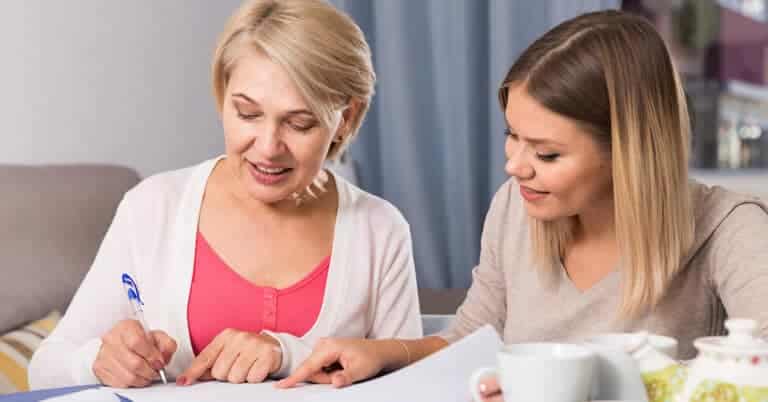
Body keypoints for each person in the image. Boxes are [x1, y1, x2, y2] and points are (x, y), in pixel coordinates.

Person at [277, 10, 768, 401]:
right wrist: (383, 355)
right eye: (512, 136)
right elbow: (472, 338)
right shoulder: (517, 206)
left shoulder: (730, 228)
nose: (515, 166)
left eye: (546, 153)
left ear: (628, 151)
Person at [29, 0, 422, 389]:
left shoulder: (379, 230)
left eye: (299, 123)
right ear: (222, 96)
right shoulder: (153, 208)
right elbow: (45, 367)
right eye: (248, 114)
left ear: (346, 118)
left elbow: (415, 386)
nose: (268, 147)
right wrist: (98, 361)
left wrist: (288, 354)